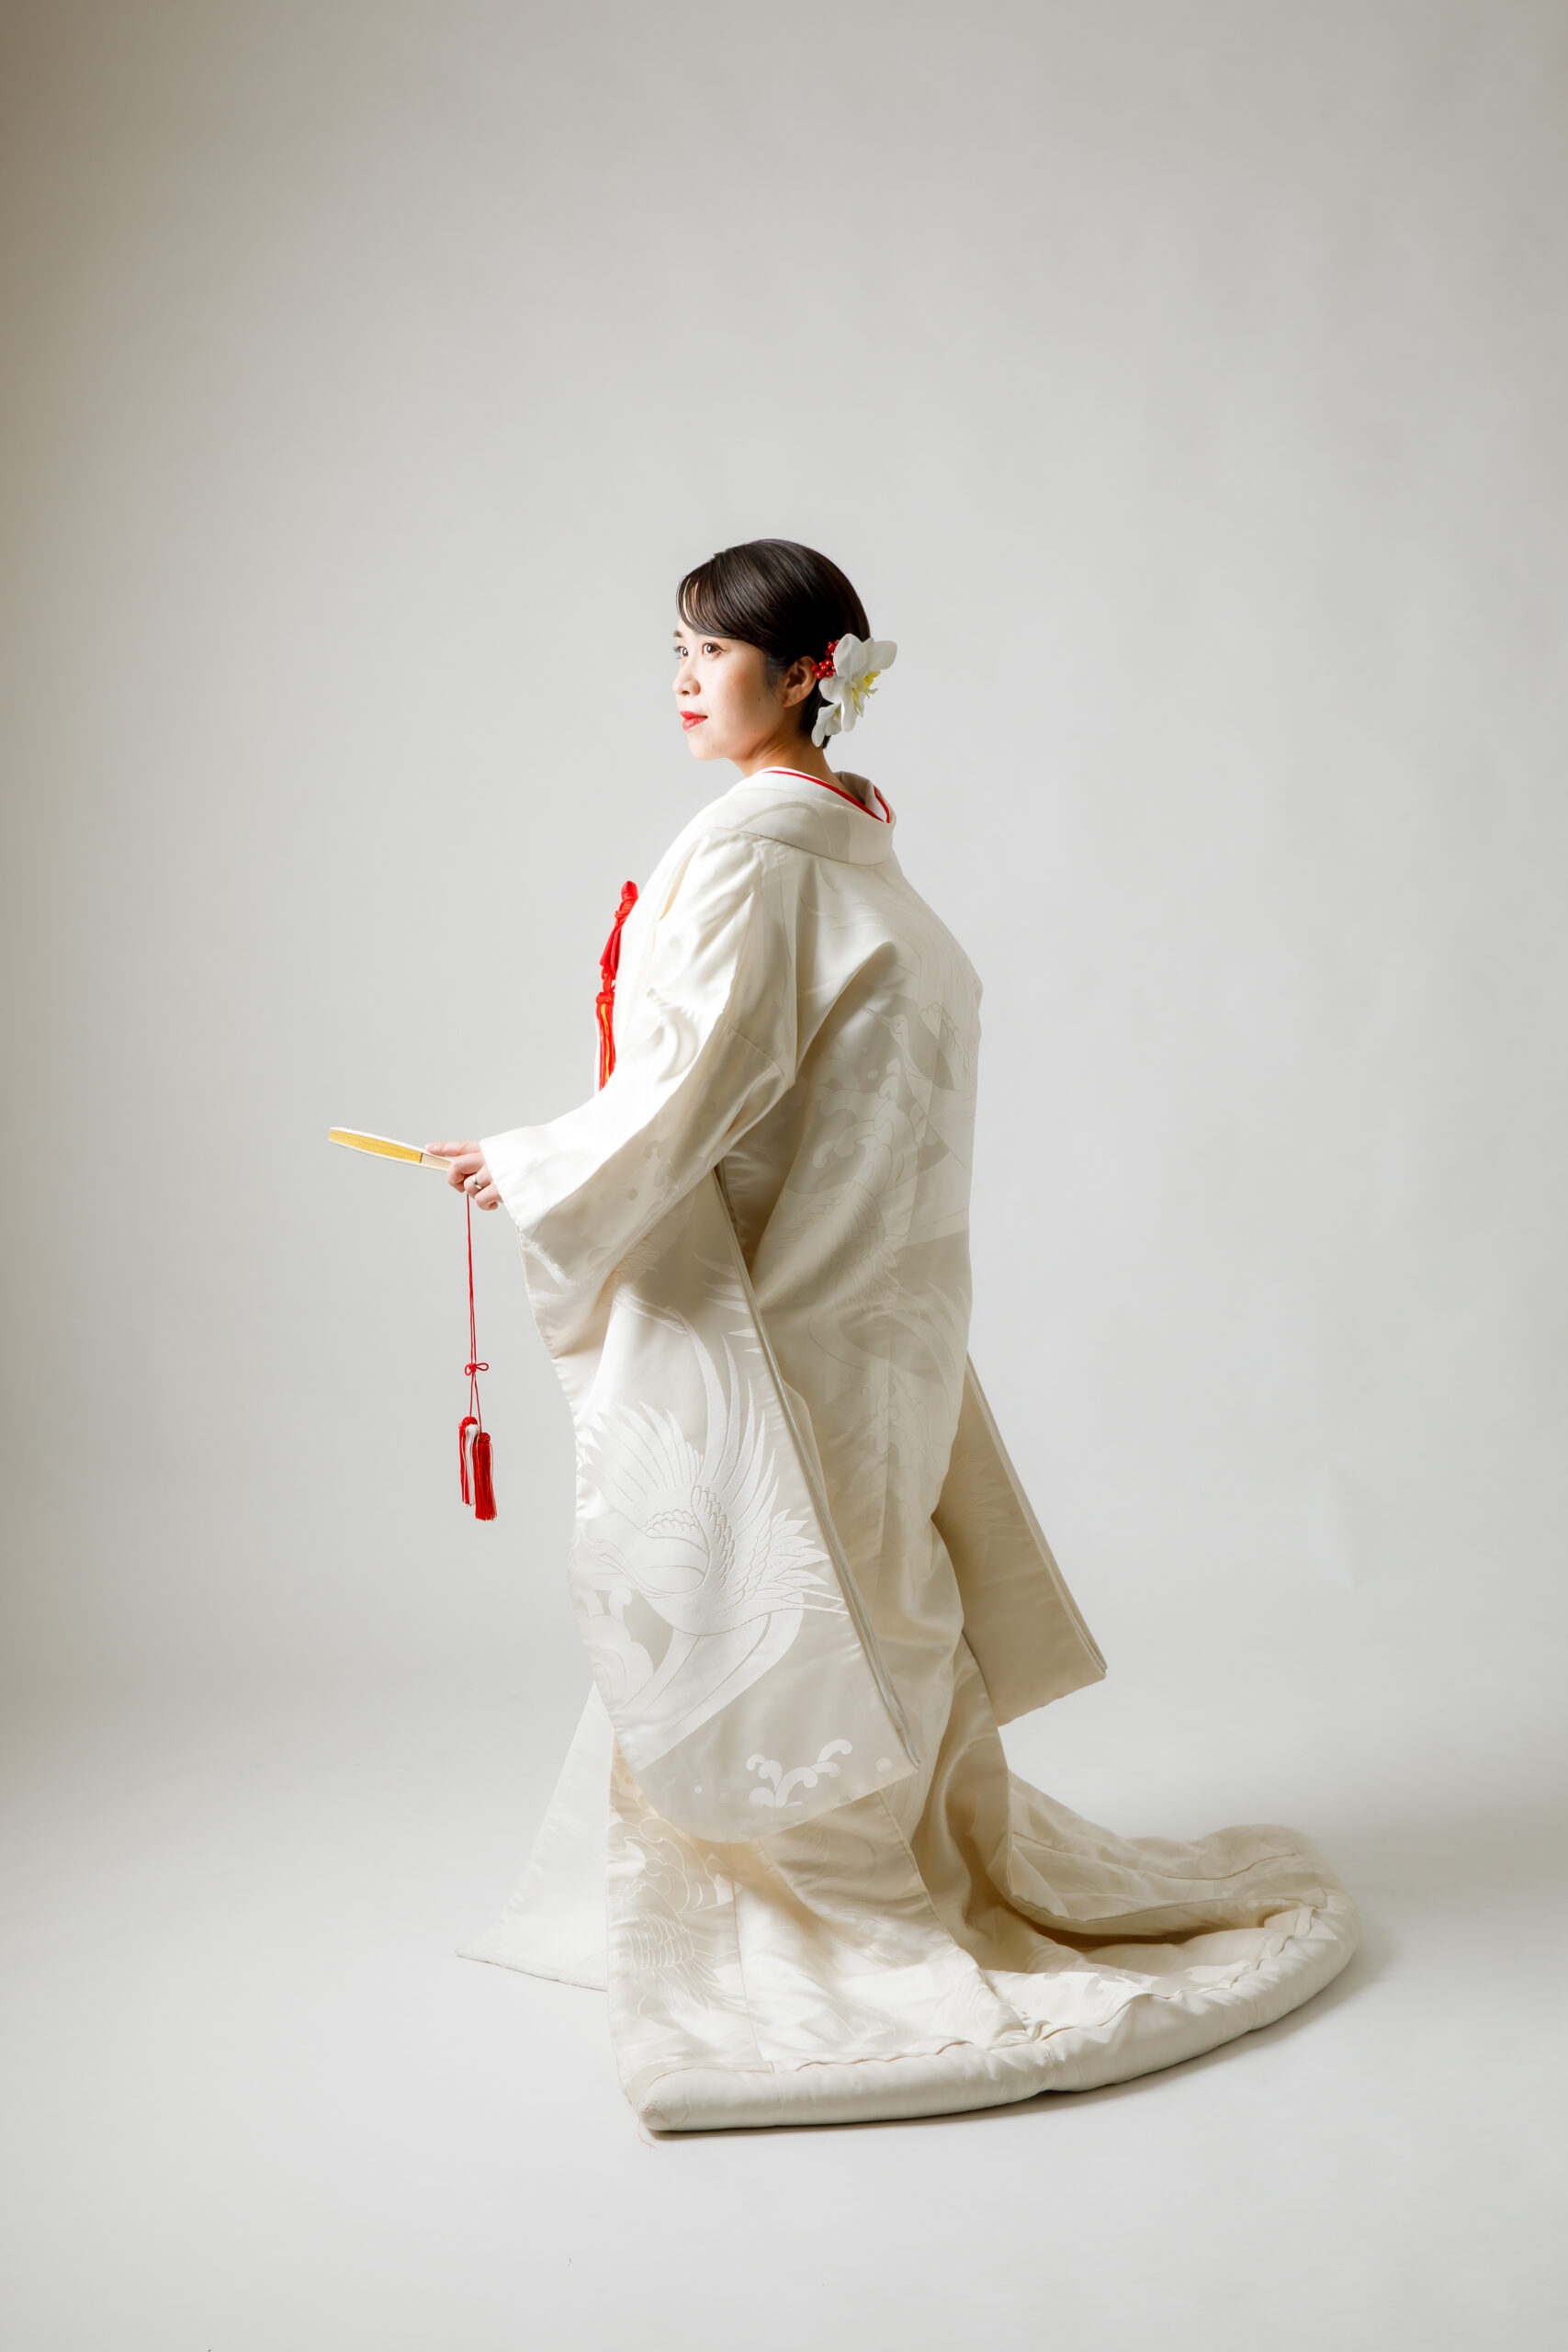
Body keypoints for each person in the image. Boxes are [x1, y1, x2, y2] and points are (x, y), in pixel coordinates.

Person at [431, 538, 1358, 2132]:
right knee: (872, 1584)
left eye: (711, 652)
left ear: (808, 675)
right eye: (674, 650)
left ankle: (845, 1899)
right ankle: (894, 1860)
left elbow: (700, 1082)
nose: (681, 679)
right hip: (886, 1302)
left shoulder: (762, 854)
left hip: (797, 1300)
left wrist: (530, 1164)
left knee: (804, 1596)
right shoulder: (857, 847)